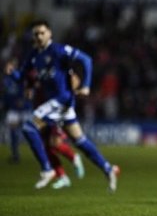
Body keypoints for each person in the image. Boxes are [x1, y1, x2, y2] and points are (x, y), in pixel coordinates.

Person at [5, 20, 120, 191]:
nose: (39, 36)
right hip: (55, 103)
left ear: (50, 33)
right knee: (79, 141)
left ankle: (47, 169)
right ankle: (108, 168)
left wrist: (86, 86)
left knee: (29, 127)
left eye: (42, 32)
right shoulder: (34, 55)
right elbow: (21, 77)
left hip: (62, 99)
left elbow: (86, 60)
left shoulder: (58, 50)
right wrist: (11, 72)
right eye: (36, 33)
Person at [1, 61, 32, 163]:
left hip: (25, 109)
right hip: (13, 110)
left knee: (30, 132)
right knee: (13, 132)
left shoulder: (20, 76)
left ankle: (41, 153)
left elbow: (28, 89)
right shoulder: (6, 80)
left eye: (9, 66)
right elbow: (6, 94)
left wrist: (23, 100)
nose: (6, 68)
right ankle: (15, 155)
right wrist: (5, 104)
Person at [43, 124, 85, 189]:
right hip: (44, 119)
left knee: (55, 142)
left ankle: (74, 158)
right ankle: (62, 177)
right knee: (48, 148)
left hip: (54, 118)